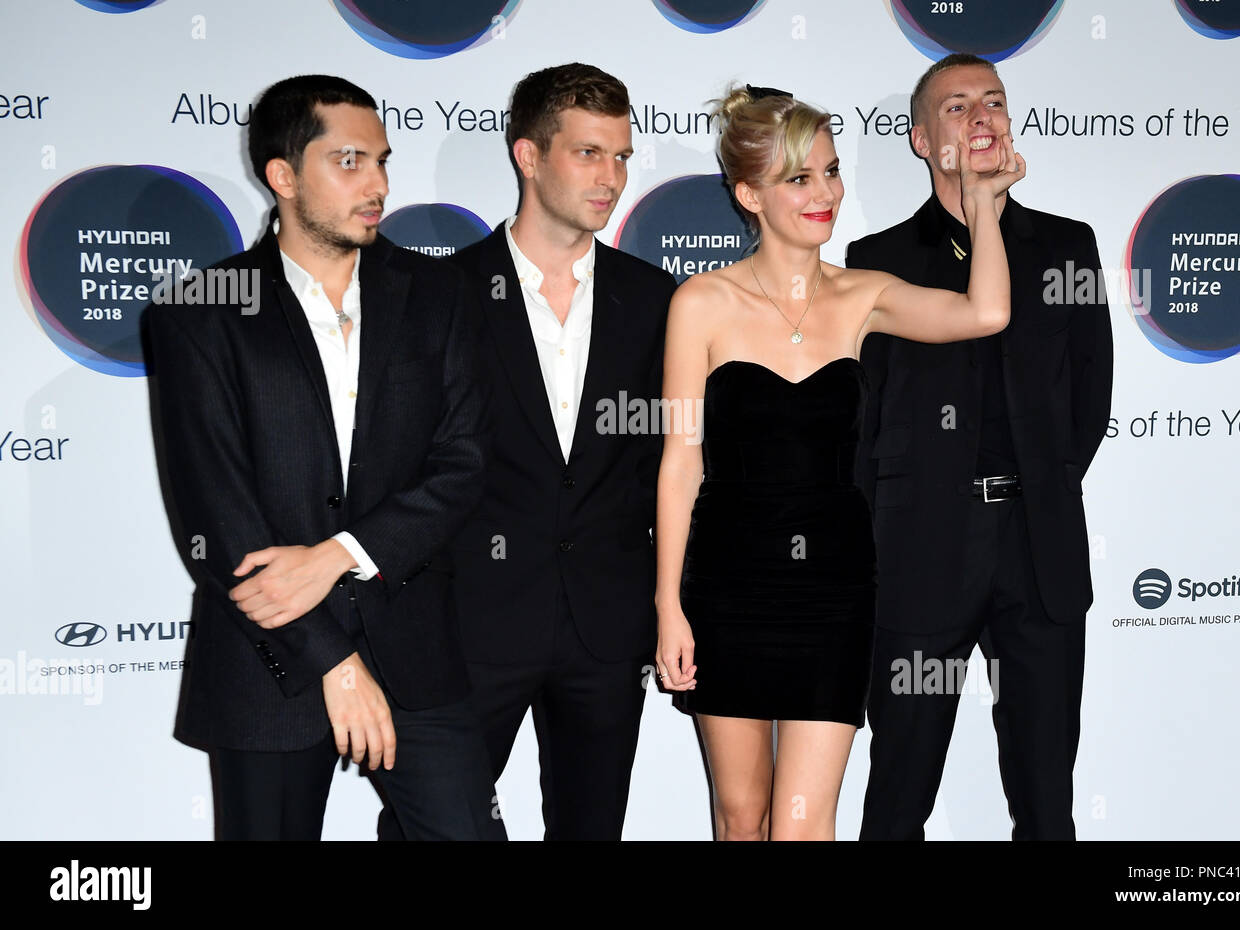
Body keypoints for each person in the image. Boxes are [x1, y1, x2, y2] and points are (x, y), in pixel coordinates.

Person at [655, 83, 1024, 840]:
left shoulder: (864, 295)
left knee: (801, 822)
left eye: (829, 170)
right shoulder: (702, 303)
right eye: (799, 178)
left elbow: (985, 313)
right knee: (741, 815)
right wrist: (668, 605)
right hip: (727, 582)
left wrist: (983, 206)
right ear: (748, 194)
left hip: (833, 587)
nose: (824, 192)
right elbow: (680, 461)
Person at [145, 74, 504, 840]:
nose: (377, 184)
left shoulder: (440, 293)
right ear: (283, 175)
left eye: (382, 161)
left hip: (416, 651)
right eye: (349, 162)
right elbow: (217, 516)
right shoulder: (199, 314)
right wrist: (334, 663)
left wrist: (342, 553)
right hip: (267, 658)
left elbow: (464, 461)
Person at [381, 63, 674, 840]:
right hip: (473, 623)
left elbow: (667, 466)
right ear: (528, 155)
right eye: (588, 154)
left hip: (608, 628)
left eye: (620, 155)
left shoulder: (655, 297)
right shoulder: (440, 295)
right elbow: (411, 470)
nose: (610, 177)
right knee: (430, 828)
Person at [845, 54, 1113, 840]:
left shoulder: (1070, 245)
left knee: (1044, 800)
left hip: (1040, 553)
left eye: (993, 101)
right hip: (920, 549)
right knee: (898, 797)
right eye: (958, 107)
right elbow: (863, 420)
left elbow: (1089, 402)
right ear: (923, 140)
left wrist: (1042, 486)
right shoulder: (876, 261)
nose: (982, 117)